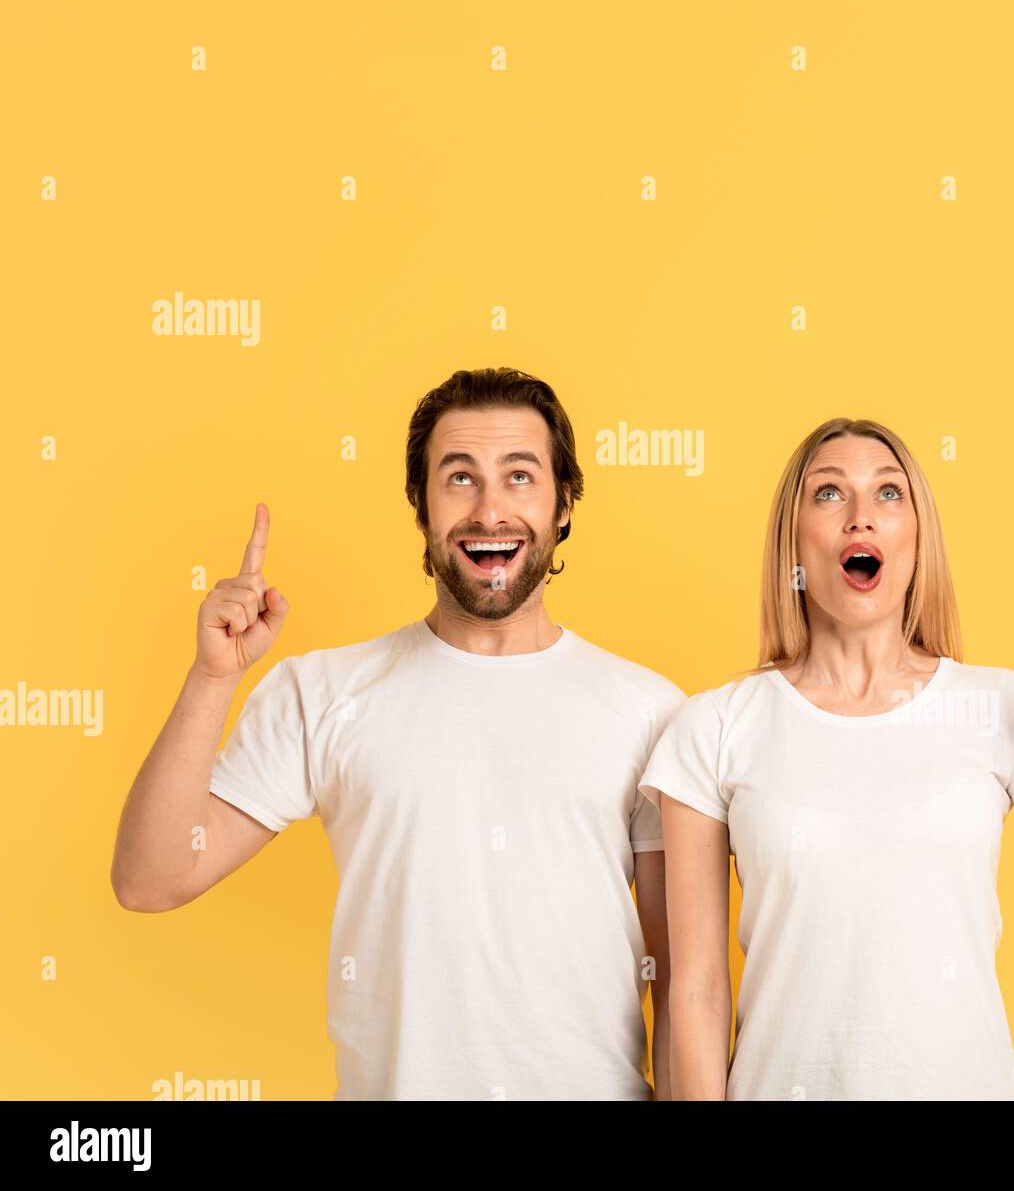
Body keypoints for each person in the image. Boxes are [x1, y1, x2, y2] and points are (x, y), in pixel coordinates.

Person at [111, 367, 686, 1100]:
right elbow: (149, 880)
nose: (489, 510)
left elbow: (680, 980)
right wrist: (213, 677)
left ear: (563, 504)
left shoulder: (650, 712)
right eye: (459, 478)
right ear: (421, 507)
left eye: (519, 476)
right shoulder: (322, 693)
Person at [638, 417, 1014, 1100]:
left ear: (916, 540)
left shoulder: (1004, 709)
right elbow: (695, 992)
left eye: (888, 494)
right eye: (827, 494)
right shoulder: (714, 727)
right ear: (793, 541)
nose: (859, 519)